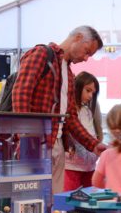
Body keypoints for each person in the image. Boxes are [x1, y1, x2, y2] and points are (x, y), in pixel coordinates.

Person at [12, 25, 106, 194]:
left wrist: (93, 145)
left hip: (56, 144)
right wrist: (26, 137)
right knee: (29, 198)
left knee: (51, 201)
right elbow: (21, 94)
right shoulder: (42, 54)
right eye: (86, 51)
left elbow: (70, 117)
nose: (86, 58)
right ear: (77, 37)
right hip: (36, 141)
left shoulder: (68, 73)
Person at [64, 71, 102, 191]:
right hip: (71, 165)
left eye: (93, 92)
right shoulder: (69, 110)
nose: (90, 96)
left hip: (89, 166)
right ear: (78, 87)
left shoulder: (88, 111)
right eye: (88, 90)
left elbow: (91, 133)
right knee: (67, 202)